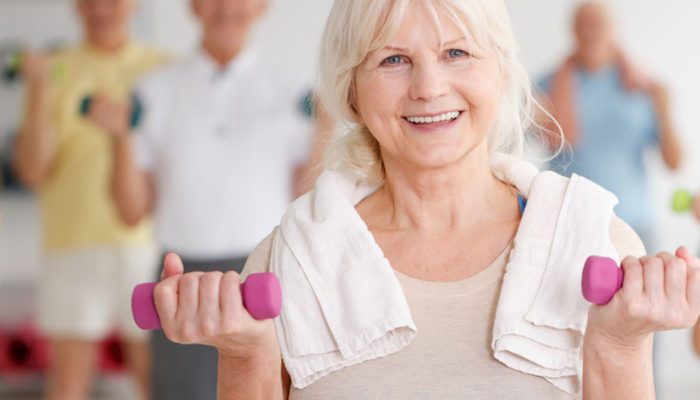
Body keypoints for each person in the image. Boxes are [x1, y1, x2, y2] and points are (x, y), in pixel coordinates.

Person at [152, 0, 700, 399]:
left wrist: (621, 348)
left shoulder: (597, 242)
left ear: (502, 72)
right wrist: (246, 355)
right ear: (351, 92)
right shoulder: (288, 261)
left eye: (457, 52)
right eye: (392, 60)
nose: (428, 87)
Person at [86, 0, 315, 398]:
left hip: (270, 276)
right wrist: (120, 136)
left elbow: (309, 201)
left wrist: (328, 126)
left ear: (262, 6)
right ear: (193, 6)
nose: (227, 6)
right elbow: (129, 210)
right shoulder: (152, 91)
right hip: (182, 278)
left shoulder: (297, 91)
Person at [11, 0, 166, 399]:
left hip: (147, 244)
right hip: (72, 242)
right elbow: (31, 172)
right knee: (68, 381)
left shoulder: (165, 69)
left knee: (153, 375)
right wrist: (39, 88)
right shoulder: (54, 68)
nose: (103, 9)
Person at [539, 1, 682, 252]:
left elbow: (674, 163)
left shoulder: (642, 87)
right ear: (573, 31)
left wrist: (664, 109)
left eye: (599, 24)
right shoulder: (547, 86)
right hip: (569, 226)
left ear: (614, 29)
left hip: (636, 224)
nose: (592, 31)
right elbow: (532, 143)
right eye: (584, 24)